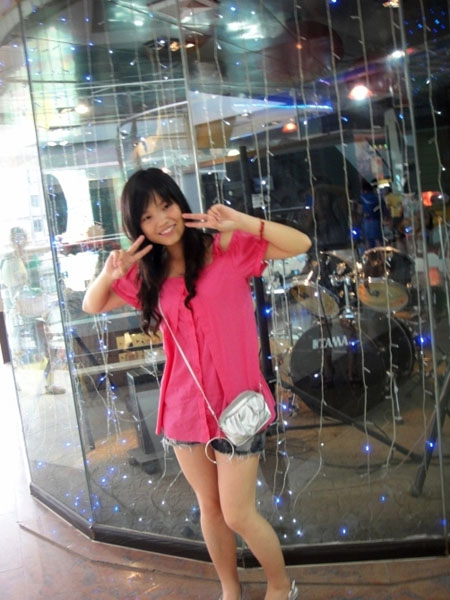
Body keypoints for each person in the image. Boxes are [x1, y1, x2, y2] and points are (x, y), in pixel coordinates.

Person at [82, 168, 311, 600]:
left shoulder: (224, 248)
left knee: (238, 513)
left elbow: (300, 244)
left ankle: (281, 586)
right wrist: (111, 272)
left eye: (165, 206)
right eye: (147, 216)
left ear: (179, 203)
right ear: (137, 227)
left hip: (238, 405)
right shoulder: (148, 274)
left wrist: (241, 221)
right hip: (186, 407)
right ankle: (230, 590)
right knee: (211, 508)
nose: (161, 220)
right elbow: (92, 304)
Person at [359, 181, 388, 248]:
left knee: (368, 241)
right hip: (377, 221)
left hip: (367, 221)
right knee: (378, 240)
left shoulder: (362, 197)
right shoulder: (379, 198)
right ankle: (381, 253)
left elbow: (360, 209)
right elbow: (384, 209)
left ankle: (370, 254)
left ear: (363, 189)